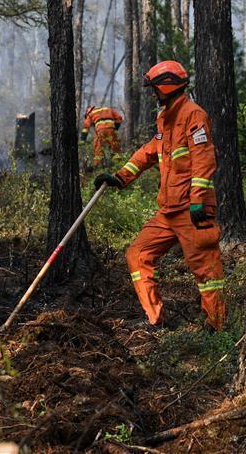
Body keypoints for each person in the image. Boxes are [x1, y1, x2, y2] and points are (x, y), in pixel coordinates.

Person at [94, 60, 225, 331]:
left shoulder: (193, 115)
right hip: (168, 211)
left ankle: (218, 328)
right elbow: (148, 152)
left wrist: (198, 200)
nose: (153, 93)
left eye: (155, 88)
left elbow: (204, 159)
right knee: (138, 254)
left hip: (192, 210)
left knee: (207, 273)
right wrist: (120, 177)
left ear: (166, 86)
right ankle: (157, 321)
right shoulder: (165, 119)